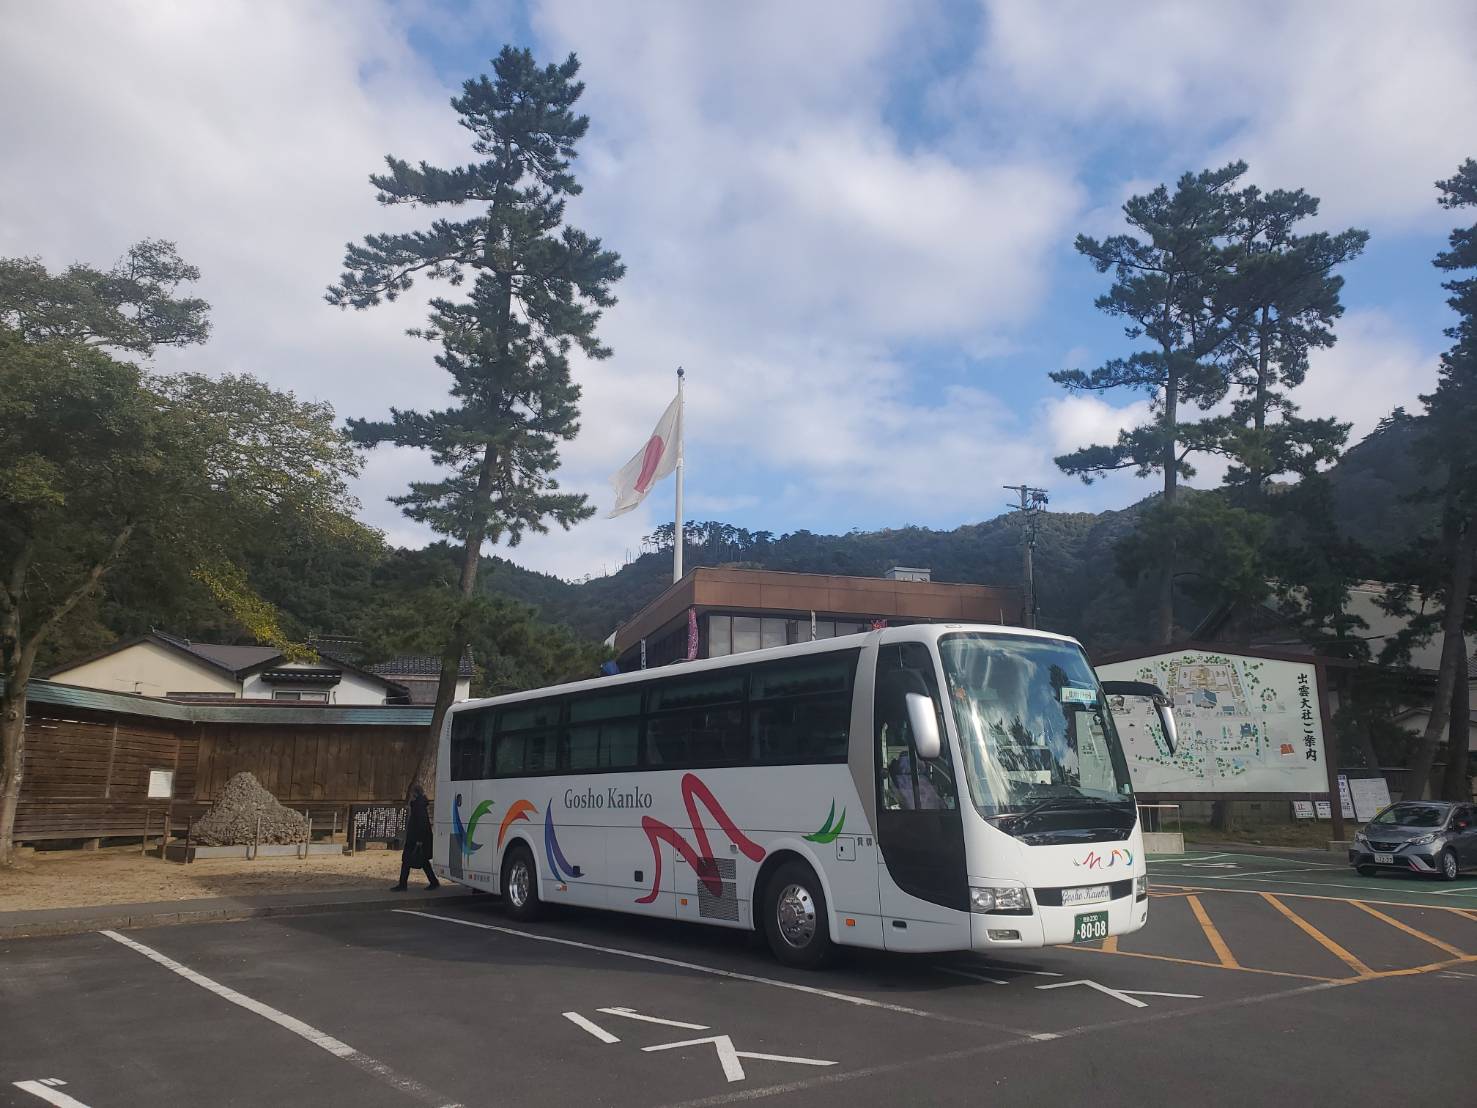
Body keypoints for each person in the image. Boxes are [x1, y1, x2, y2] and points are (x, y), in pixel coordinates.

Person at [391, 783, 440, 891]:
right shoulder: (420, 804)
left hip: (416, 839)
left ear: (414, 794)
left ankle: (403, 884)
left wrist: (419, 840)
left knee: (407, 861)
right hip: (419, 838)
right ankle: (433, 882)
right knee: (422, 862)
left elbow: (420, 823)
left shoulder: (417, 805)